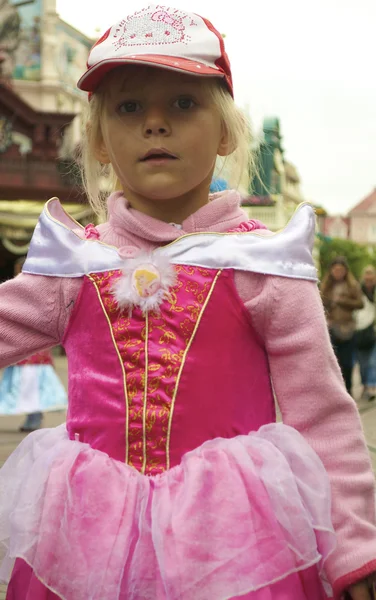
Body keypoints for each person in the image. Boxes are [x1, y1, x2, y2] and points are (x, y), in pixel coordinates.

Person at [0, 5, 375, 599]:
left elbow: (323, 415)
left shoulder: (262, 264)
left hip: (238, 550)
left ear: (225, 130)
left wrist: (356, 549)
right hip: (88, 547)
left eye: (182, 103)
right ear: (97, 141)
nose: (155, 123)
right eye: (128, 107)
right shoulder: (74, 264)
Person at [0, 258, 67, 431]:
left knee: (32, 382)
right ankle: (33, 416)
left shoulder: (37, 289)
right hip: (25, 344)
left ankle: (35, 416)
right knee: (25, 383)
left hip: (34, 346)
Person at [320, 256, 363, 394]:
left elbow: (360, 304)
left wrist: (342, 301)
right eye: (335, 270)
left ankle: (348, 390)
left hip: (347, 329)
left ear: (345, 271)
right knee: (332, 363)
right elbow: (318, 303)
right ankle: (334, 393)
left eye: (341, 270)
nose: (338, 272)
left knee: (347, 363)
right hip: (330, 328)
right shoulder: (326, 286)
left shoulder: (352, 285)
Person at [354, 265, 376, 400]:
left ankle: (371, 386)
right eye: (366, 274)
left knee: (373, 361)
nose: (368, 277)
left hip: (374, 330)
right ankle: (365, 386)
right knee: (362, 363)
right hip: (360, 330)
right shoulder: (357, 291)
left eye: (371, 274)